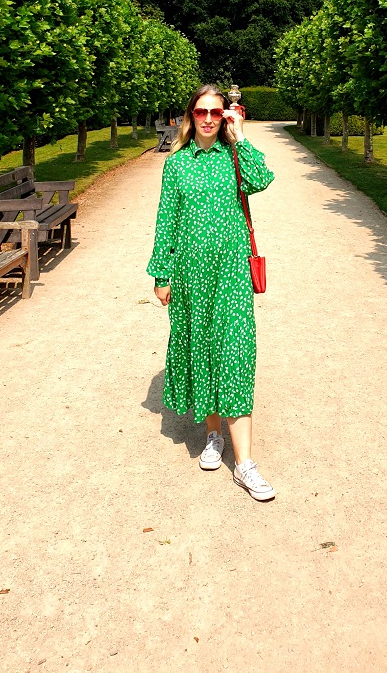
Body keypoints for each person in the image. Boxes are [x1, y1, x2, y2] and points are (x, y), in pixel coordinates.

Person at [147, 84, 276, 501]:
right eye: (201, 111)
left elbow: (262, 179)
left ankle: (245, 464)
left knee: (235, 351)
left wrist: (240, 136)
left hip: (231, 274)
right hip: (190, 276)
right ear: (190, 115)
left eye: (216, 112)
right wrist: (161, 273)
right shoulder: (177, 164)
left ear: (225, 116)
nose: (207, 119)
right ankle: (213, 435)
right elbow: (166, 221)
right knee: (202, 348)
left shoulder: (235, 157)